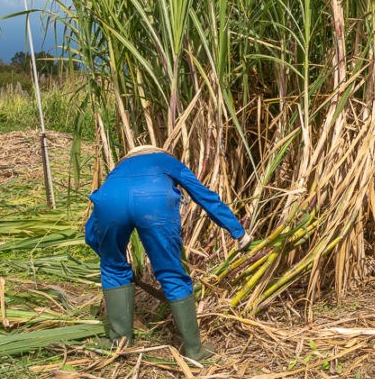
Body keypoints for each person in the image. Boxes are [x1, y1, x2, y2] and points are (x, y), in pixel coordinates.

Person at [85, 145, 252, 360]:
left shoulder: (118, 170)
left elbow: (92, 229)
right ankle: (194, 351)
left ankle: (119, 343)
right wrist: (238, 232)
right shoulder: (167, 161)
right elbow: (204, 196)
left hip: (111, 202)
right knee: (171, 272)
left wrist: (105, 253)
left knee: (113, 268)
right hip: (154, 202)